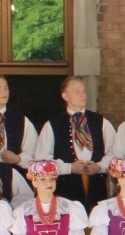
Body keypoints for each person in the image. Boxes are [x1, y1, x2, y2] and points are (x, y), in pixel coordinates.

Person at [35, 75, 114, 211]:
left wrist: (99, 166)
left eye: (84, 91)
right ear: (65, 96)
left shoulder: (101, 121)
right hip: (67, 188)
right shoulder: (53, 124)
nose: (82, 95)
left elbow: (115, 151)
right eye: (76, 91)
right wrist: (68, 168)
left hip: (97, 185)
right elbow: (42, 159)